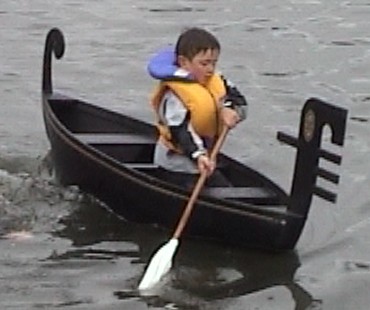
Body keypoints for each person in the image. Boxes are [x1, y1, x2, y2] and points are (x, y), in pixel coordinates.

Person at [147, 27, 247, 189]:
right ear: (184, 62)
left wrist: (229, 109)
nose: (210, 69)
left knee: (224, 189)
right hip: (176, 164)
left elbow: (239, 101)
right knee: (212, 190)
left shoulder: (217, 82)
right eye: (204, 64)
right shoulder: (174, 95)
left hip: (205, 161)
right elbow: (180, 131)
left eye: (214, 63)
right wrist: (199, 155)